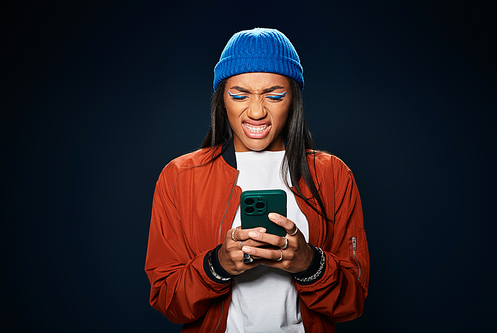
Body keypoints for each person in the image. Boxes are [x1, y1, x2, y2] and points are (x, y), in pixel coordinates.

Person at [145, 28, 369, 332]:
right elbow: (167, 301)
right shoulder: (179, 177)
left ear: (294, 100)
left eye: (274, 95)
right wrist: (217, 265)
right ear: (222, 99)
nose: (256, 112)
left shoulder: (333, 175)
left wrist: (309, 264)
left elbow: (353, 302)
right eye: (239, 95)